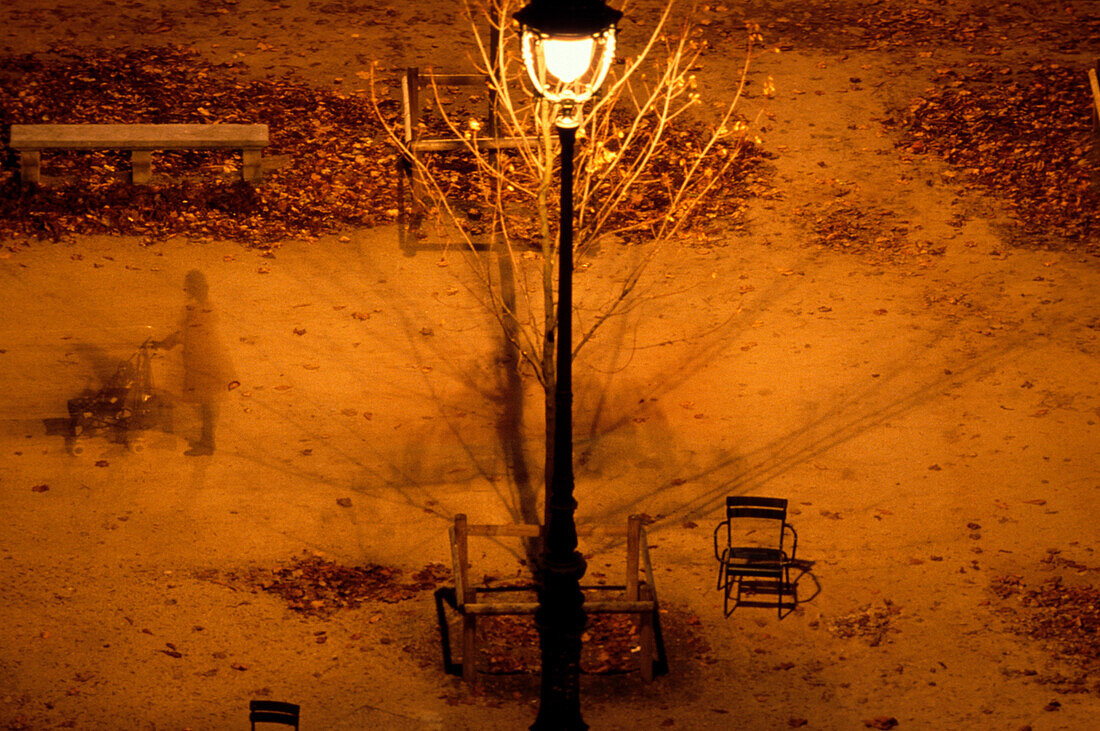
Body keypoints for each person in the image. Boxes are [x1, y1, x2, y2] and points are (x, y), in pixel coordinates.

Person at [155, 270, 235, 456]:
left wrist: (164, 344)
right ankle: (206, 441)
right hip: (208, 358)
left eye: (189, 286)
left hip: (203, 361)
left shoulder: (198, 309)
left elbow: (185, 334)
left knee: (203, 400)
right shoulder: (206, 306)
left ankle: (206, 443)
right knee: (207, 401)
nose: (187, 290)